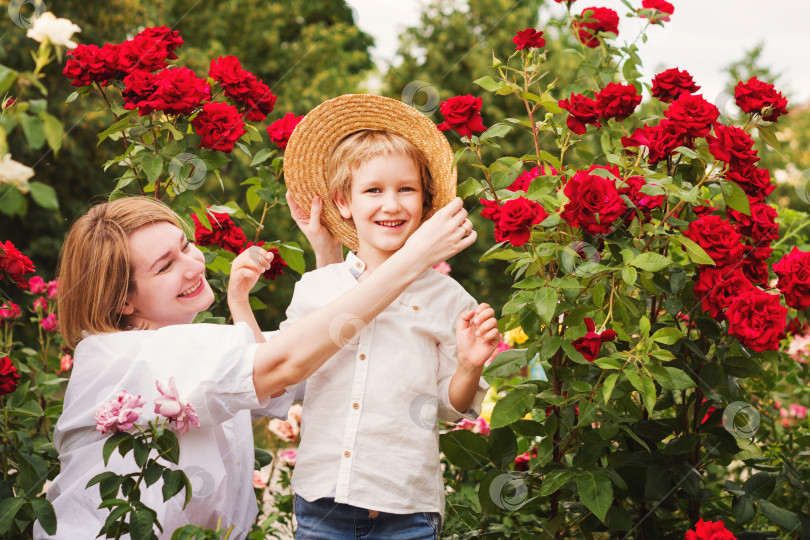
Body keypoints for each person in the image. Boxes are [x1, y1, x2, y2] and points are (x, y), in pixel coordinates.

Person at [34, 192, 476, 539]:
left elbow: (295, 379)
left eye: (186, 246)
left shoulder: (191, 349)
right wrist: (413, 258)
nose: (193, 265)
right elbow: (282, 364)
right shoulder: (123, 356)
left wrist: (329, 264)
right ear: (122, 299)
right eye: (166, 265)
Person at [282, 94, 500, 539]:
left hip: (407, 509)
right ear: (344, 202)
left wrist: (469, 364)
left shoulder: (447, 297)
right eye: (373, 190)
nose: (392, 204)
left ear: (425, 201)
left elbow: (448, 408)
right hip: (323, 503)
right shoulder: (316, 290)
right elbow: (281, 376)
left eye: (406, 189)